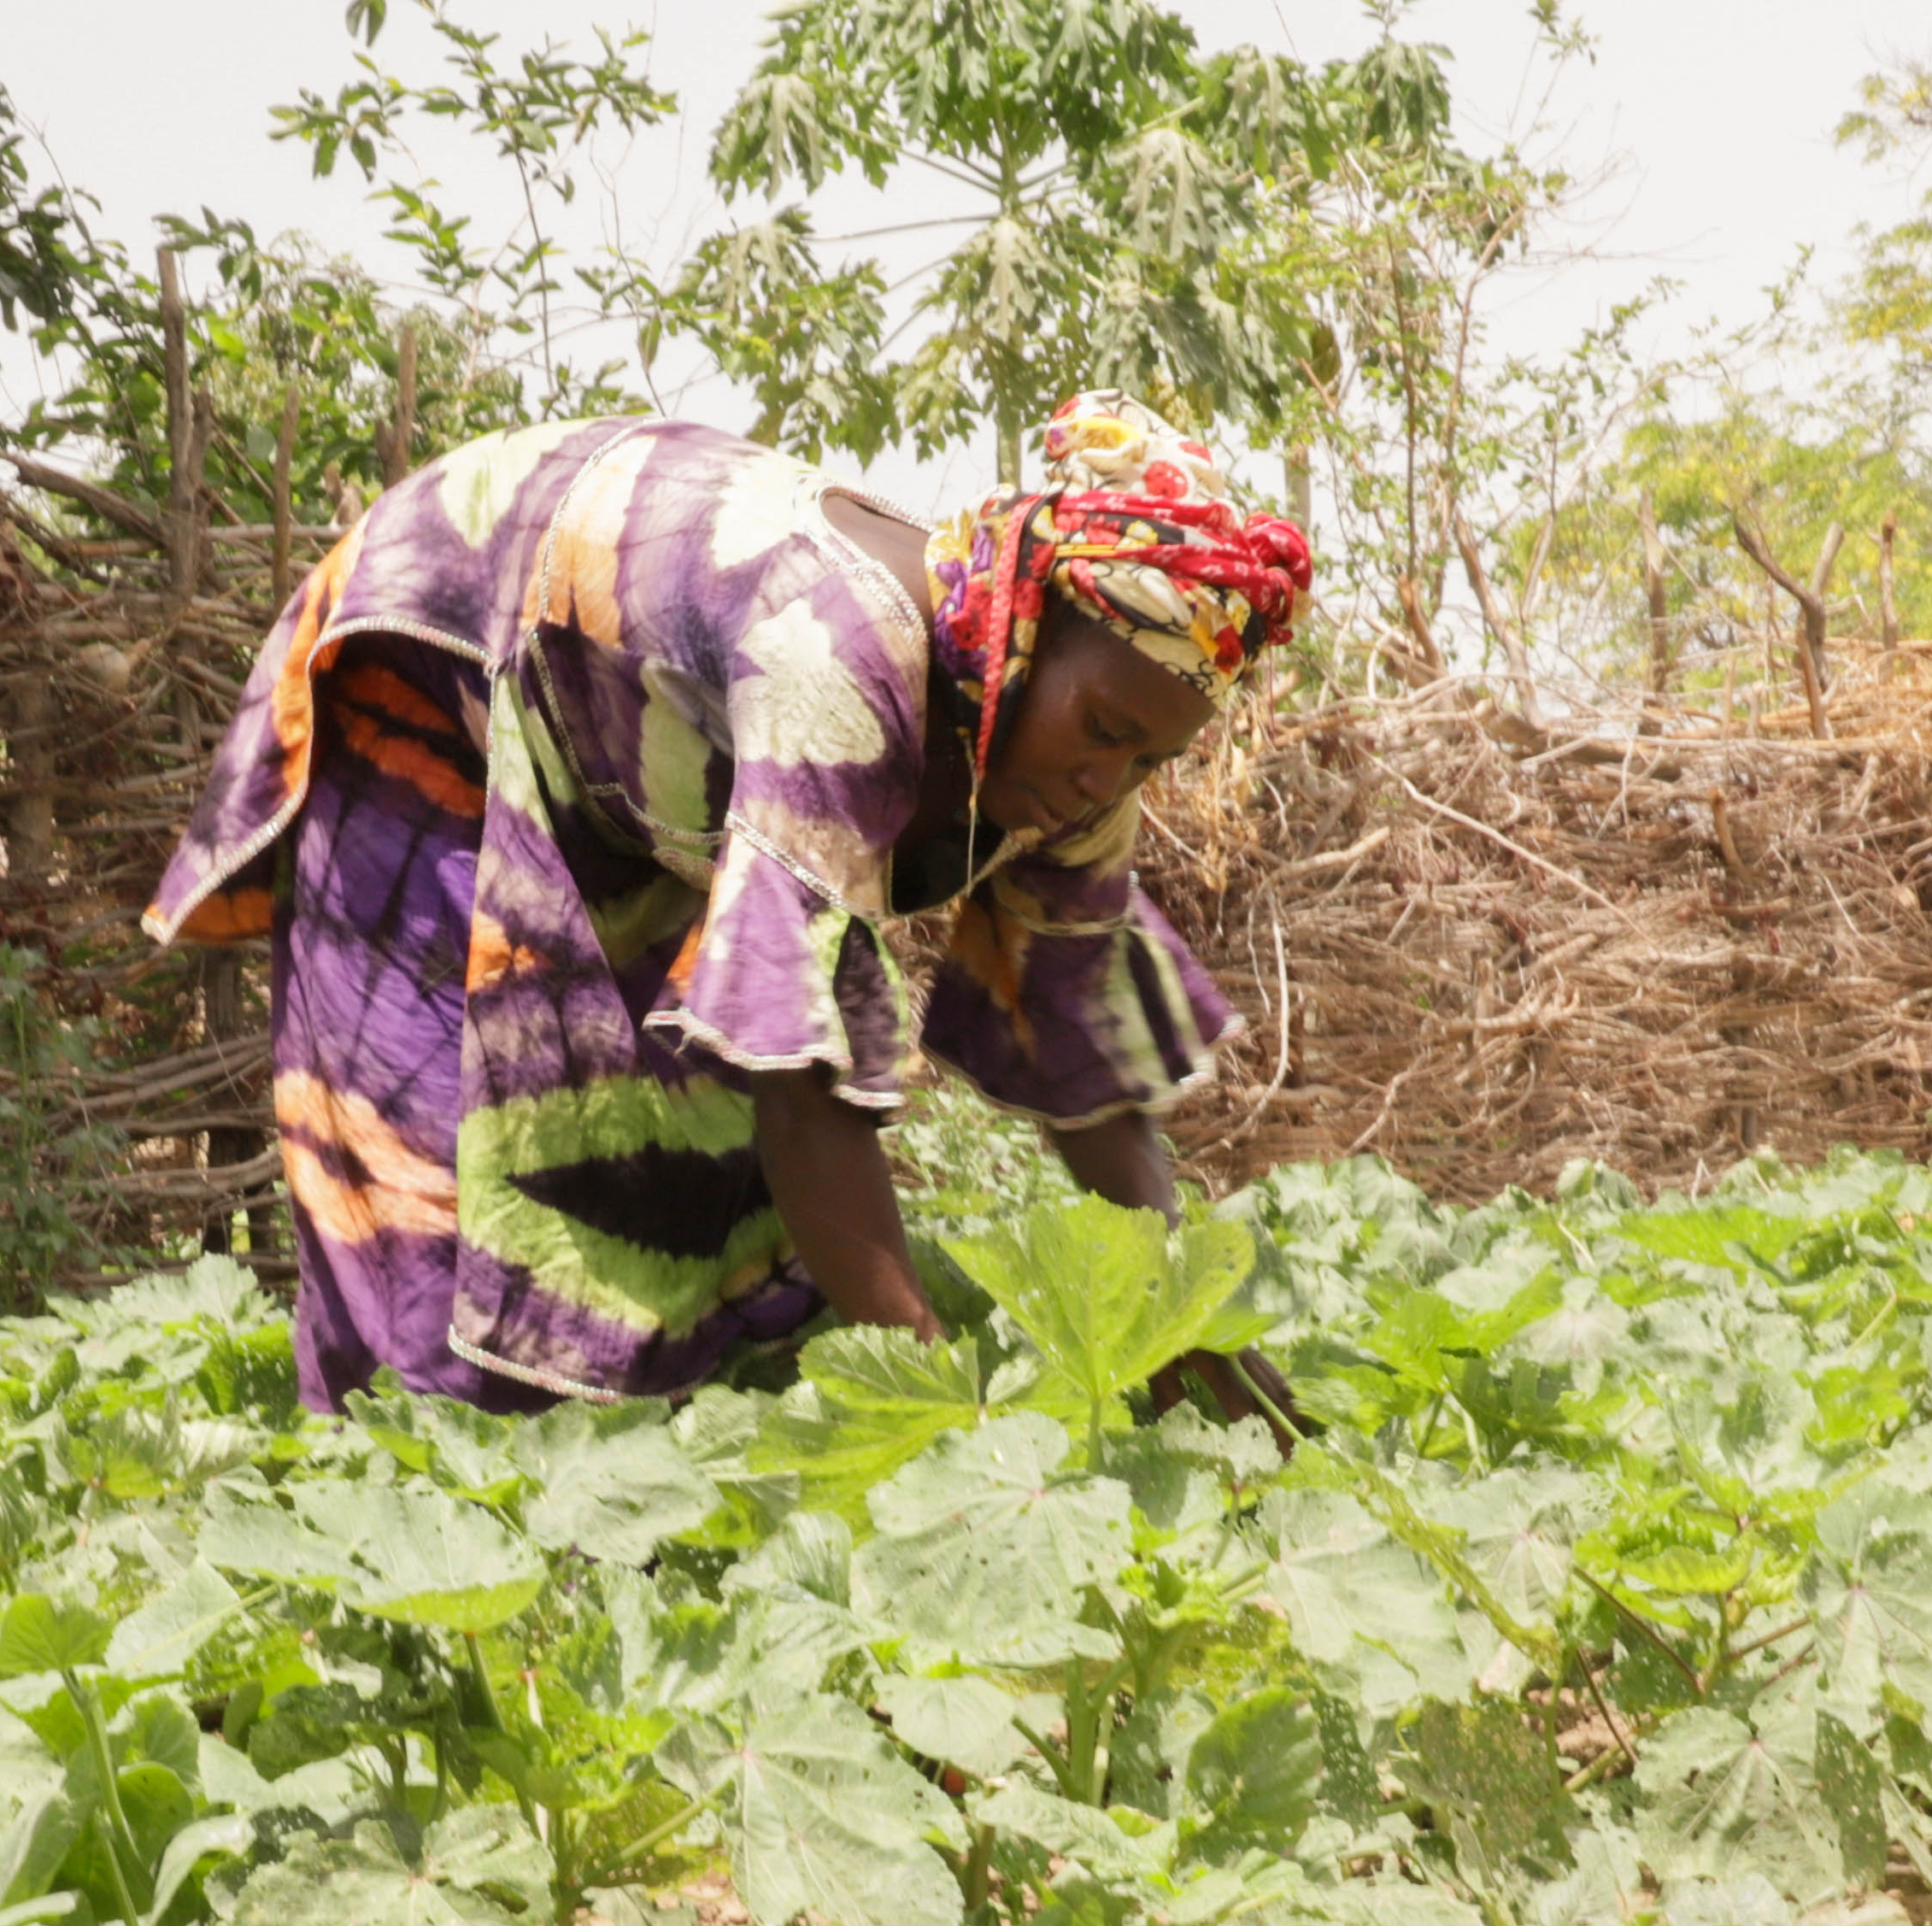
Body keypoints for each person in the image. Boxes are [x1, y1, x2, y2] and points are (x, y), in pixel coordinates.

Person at [145, 390, 1308, 1415]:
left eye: (1152, 759)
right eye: (1106, 732)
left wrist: (1177, 1318)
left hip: (637, 745)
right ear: (1017, 635)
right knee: (428, 1204)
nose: (1111, 780)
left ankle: (644, 1506)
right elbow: (802, 1096)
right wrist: (945, 1403)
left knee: (698, 1205)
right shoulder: (839, 669)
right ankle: (385, 1566)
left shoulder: (1080, 755)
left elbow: (1085, 1063)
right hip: (444, 646)